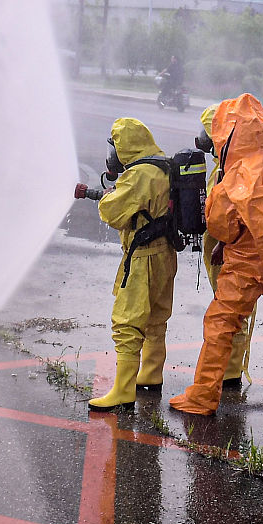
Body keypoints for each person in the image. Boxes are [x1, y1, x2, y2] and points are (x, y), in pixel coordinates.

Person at [169, 93, 263, 416]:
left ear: (229, 136)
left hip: (246, 267)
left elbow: (220, 226)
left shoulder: (236, 174)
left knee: (221, 326)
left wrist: (227, 243)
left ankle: (202, 398)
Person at [89, 117, 179, 411]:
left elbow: (113, 213)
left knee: (128, 320)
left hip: (143, 258)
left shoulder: (138, 175)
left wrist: (108, 197)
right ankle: (151, 375)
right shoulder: (162, 165)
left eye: (115, 146)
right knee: (156, 316)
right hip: (166, 253)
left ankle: (123, 391)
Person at [197, 103, 255, 388]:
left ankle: (230, 374)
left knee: (232, 312)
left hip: (232, 252)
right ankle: (228, 370)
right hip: (224, 249)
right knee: (229, 309)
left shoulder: (233, 170)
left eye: (208, 133)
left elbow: (233, 215)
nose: (203, 140)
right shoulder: (226, 165)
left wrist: (221, 243)